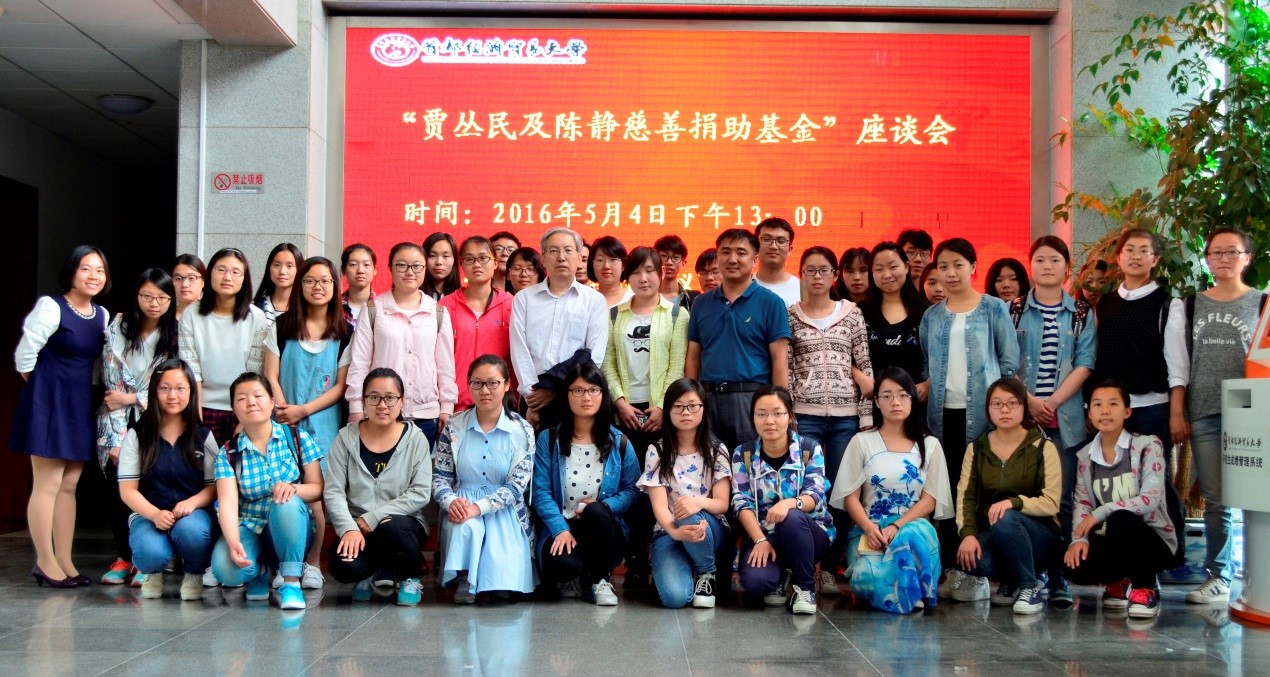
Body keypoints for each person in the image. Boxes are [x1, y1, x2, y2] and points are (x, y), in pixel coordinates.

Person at [919, 238, 1019, 598]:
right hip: (942, 419)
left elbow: (1009, 362)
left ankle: (978, 572)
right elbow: (927, 364)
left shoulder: (993, 308)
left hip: (984, 420)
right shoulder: (932, 315)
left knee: (980, 493)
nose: (950, 273)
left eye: (958, 265)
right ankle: (950, 568)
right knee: (947, 494)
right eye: (943, 266)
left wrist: (1003, 411)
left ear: (973, 268)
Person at [1170, 229, 1264, 605]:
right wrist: (1179, 411)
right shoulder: (1192, 304)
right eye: (1216, 253)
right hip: (1204, 410)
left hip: (1252, 413)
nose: (1224, 259)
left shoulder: (1263, 303)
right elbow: (1180, 364)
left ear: (1247, 258)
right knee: (1217, 498)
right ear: (1207, 259)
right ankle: (1219, 576)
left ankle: (1260, 577)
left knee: (1257, 496)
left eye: (1232, 252)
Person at [12, 245, 111, 588]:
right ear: (71, 272)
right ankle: (44, 561)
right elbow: (25, 357)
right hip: (49, 401)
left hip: (80, 403)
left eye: (99, 270)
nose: (93, 276)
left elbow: (99, 365)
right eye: (86, 268)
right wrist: (44, 391)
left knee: (69, 486)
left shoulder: (101, 314)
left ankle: (65, 561)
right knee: (49, 484)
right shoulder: (51, 306)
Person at [787, 246, 874, 594]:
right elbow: (788, 369)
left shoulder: (851, 314)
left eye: (824, 270)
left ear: (834, 276)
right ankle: (809, 562)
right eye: (810, 270)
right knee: (807, 489)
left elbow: (864, 367)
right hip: (805, 417)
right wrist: (790, 417)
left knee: (840, 490)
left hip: (845, 419)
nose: (817, 276)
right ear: (801, 275)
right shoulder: (790, 315)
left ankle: (831, 562)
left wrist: (865, 419)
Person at [263, 256, 352, 589]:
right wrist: (282, 408)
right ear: (300, 285)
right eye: (311, 280)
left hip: (323, 425)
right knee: (281, 493)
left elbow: (341, 387)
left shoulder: (344, 332)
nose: (318, 287)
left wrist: (304, 410)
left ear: (335, 287)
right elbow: (270, 374)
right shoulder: (281, 326)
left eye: (325, 281)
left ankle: (312, 562)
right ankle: (284, 562)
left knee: (316, 498)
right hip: (282, 422)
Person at [602, 247, 689, 588]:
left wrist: (662, 407)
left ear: (661, 273)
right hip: (624, 415)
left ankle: (659, 557)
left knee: (661, 487)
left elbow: (677, 364)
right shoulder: (614, 315)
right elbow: (607, 363)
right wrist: (620, 402)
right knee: (630, 488)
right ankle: (634, 560)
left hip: (661, 415)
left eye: (650, 270)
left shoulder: (676, 314)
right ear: (628, 276)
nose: (644, 278)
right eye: (636, 271)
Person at [832, 367, 951, 614]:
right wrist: (869, 528)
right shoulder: (862, 441)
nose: (895, 402)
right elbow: (851, 498)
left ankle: (907, 591)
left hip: (912, 529)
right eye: (886, 396)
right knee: (866, 577)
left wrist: (897, 526)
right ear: (877, 402)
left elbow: (929, 501)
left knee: (912, 537)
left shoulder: (930, 445)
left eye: (902, 395)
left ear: (912, 398)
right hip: (871, 531)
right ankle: (907, 593)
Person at [1013, 235, 1095, 572]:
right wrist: (1030, 402)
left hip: (1065, 421)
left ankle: (1059, 574)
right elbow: (1005, 362)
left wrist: (1052, 402)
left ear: (1067, 268)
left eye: (1054, 260)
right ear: (1030, 266)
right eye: (1040, 260)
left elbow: (1085, 363)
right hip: (1021, 419)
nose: (1047, 266)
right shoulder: (1014, 309)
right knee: (1021, 496)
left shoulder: (1081, 312)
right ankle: (1024, 571)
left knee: (1061, 500)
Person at [1065, 380, 1177, 619]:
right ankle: (1119, 580)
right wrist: (1079, 539)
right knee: (1073, 564)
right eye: (1097, 405)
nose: (1105, 411)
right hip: (1113, 537)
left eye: (1113, 404)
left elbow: (1150, 499)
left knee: (1121, 519)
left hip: (1153, 541)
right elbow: (1082, 503)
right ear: (1089, 413)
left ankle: (1144, 588)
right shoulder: (1085, 456)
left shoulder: (1148, 445)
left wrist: (1101, 512)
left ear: (1127, 412)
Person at [211, 373, 324, 610]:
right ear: (234, 408)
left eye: (258, 396)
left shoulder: (297, 438)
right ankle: (259, 571)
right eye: (242, 399)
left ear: (272, 402)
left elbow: (317, 488)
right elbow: (228, 503)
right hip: (250, 526)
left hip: (292, 528)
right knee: (226, 571)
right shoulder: (228, 453)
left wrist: (293, 488)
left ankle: (291, 583)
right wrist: (233, 542)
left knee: (286, 501)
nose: (251, 402)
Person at [96, 268, 180, 587]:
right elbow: (109, 381)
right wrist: (115, 438)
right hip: (115, 419)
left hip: (156, 418)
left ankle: (147, 559)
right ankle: (123, 557)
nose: (154, 303)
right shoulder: (119, 327)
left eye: (161, 297)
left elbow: (173, 382)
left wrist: (132, 398)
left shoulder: (175, 333)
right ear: (137, 296)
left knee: (151, 486)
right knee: (119, 489)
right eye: (147, 296)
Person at [531, 363, 640, 606]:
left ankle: (600, 579)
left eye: (593, 390)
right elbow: (540, 491)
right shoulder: (549, 439)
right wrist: (559, 528)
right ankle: (582, 574)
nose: (586, 397)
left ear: (603, 395)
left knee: (596, 512)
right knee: (561, 566)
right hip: (564, 525)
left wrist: (605, 506)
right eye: (578, 391)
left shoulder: (619, 442)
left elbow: (633, 489)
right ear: (567, 395)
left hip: (603, 528)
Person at [953, 378, 1063, 614]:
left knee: (1005, 518)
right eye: (997, 404)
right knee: (973, 560)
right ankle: (1012, 579)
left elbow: (1052, 503)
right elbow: (966, 497)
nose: (1004, 410)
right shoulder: (977, 449)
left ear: (1024, 406)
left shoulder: (1043, 447)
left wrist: (1013, 503)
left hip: (1040, 535)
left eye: (1012, 403)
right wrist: (968, 534)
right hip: (997, 531)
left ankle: (1030, 587)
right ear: (988, 409)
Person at [325, 368, 433, 606]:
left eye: (390, 397)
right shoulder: (345, 438)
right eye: (373, 397)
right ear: (364, 401)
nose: (382, 405)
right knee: (344, 568)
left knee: (391, 527)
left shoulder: (416, 439)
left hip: (403, 525)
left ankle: (409, 575)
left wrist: (374, 516)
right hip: (358, 527)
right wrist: (348, 529)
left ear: (401, 401)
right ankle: (369, 571)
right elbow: (333, 491)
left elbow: (421, 492)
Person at [434, 356, 536, 603]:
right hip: (461, 504)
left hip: (504, 510)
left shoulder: (522, 430)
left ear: (507, 384)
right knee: (465, 527)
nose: (485, 390)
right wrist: (451, 502)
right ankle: (464, 578)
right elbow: (439, 478)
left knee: (501, 587)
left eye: (492, 383)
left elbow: (516, 486)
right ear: (469, 385)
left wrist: (478, 508)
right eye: (477, 383)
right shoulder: (454, 426)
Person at [117, 359, 218, 601]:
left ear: (191, 391)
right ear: (154, 391)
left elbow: (214, 486)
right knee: (150, 552)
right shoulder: (138, 435)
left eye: (180, 388)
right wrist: (153, 514)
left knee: (192, 531)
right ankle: (152, 573)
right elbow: (127, 490)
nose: (173, 395)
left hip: (192, 515)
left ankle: (193, 572)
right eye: (165, 388)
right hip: (149, 514)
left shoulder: (203, 435)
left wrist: (192, 503)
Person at [686, 228, 791, 454]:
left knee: (750, 464)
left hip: (751, 400)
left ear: (754, 258)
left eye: (741, 253)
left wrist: (779, 408)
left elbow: (780, 360)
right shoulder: (701, 304)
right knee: (710, 465)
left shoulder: (771, 303)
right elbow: (693, 357)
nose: (732, 259)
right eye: (725, 252)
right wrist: (691, 400)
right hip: (708, 399)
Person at [732, 385, 834, 614]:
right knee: (757, 583)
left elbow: (815, 494)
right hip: (765, 535)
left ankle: (805, 589)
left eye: (777, 413)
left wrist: (789, 503)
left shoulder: (809, 449)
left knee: (792, 517)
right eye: (761, 414)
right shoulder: (743, 454)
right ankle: (780, 575)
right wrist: (759, 539)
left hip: (808, 534)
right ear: (753, 417)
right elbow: (741, 502)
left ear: (789, 416)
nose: (769, 421)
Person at [346, 241, 458, 445]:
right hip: (381, 411)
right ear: (390, 268)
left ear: (424, 269)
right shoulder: (373, 310)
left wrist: (447, 407)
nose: (409, 272)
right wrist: (355, 406)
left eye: (416, 266)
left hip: (426, 415)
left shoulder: (437, 312)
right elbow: (360, 362)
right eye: (401, 265)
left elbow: (445, 365)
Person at [1091, 228, 1187, 462]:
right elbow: (1097, 358)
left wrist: (1176, 415)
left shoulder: (1167, 304)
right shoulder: (1105, 303)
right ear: (1118, 257)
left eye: (1144, 251)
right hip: (1110, 410)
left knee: (1153, 476)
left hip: (1151, 409)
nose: (1136, 256)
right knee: (1113, 475)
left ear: (1155, 260)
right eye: (1130, 250)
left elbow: (1178, 365)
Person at [639, 378, 732, 609]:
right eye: (678, 406)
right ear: (668, 410)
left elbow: (722, 503)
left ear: (703, 408)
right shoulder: (657, 450)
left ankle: (706, 574)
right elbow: (660, 506)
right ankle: (684, 568)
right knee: (674, 599)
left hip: (709, 528)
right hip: (669, 530)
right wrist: (675, 532)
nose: (686, 412)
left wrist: (697, 503)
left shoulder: (717, 450)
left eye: (692, 406)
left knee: (687, 510)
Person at [510, 228, 609, 429]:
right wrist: (533, 398)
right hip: (534, 396)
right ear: (543, 258)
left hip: (577, 395)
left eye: (568, 250)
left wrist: (556, 390)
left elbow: (594, 355)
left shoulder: (594, 300)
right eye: (553, 251)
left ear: (579, 257)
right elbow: (519, 350)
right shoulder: (524, 299)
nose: (561, 257)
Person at [178, 247, 270, 445]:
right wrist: (197, 420)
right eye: (221, 269)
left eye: (235, 272)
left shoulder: (256, 317)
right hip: (202, 406)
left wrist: (244, 421)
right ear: (209, 274)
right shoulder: (191, 315)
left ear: (244, 278)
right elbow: (192, 372)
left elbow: (255, 373)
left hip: (243, 408)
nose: (227, 277)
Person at [439, 236, 516, 412]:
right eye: (469, 259)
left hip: (500, 403)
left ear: (495, 263)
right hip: (456, 403)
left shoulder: (511, 304)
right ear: (461, 264)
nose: (476, 264)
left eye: (483, 258)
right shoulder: (445, 306)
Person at [861, 242, 930, 406]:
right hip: (873, 404)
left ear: (906, 267)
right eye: (879, 269)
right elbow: (845, 355)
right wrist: (861, 379)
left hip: (916, 403)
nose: (887, 275)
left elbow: (941, 355)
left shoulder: (926, 312)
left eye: (893, 267)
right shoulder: (860, 312)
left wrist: (929, 383)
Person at [753, 217, 802, 307]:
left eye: (781, 241)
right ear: (755, 246)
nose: (774, 246)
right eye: (766, 239)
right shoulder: (743, 286)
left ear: (790, 249)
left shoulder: (803, 290)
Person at [253, 243, 303, 323]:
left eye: (289, 266)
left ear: (299, 269)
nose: (282, 271)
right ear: (269, 268)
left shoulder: (307, 308)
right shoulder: (255, 308)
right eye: (277, 265)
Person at [654, 234, 699, 311]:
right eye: (664, 256)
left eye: (675, 257)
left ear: (683, 264)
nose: (669, 262)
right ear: (655, 260)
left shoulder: (694, 298)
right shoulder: (644, 297)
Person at [589, 235, 632, 308]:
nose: (606, 266)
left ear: (623, 265)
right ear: (592, 265)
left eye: (613, 260)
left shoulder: (633, 300)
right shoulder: (586, 301)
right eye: (600, 260)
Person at [340, 243, 377, 327]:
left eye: (366, 265)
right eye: (353, 264)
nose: (360, 270)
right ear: (343, 269)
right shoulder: (333, 308)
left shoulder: (383, 308)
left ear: (375, 269)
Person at [424, 232, 462, 302]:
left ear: (454, 260)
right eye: (432, 255)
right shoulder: (414, 296)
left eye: (445, 256)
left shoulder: (463, 297)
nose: (439, 262)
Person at [172, 254, 205, 322]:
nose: (184, 284)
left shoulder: (211, 317)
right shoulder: (163, 318)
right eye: (178, 278)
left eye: (191, 278)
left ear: (203, 281)